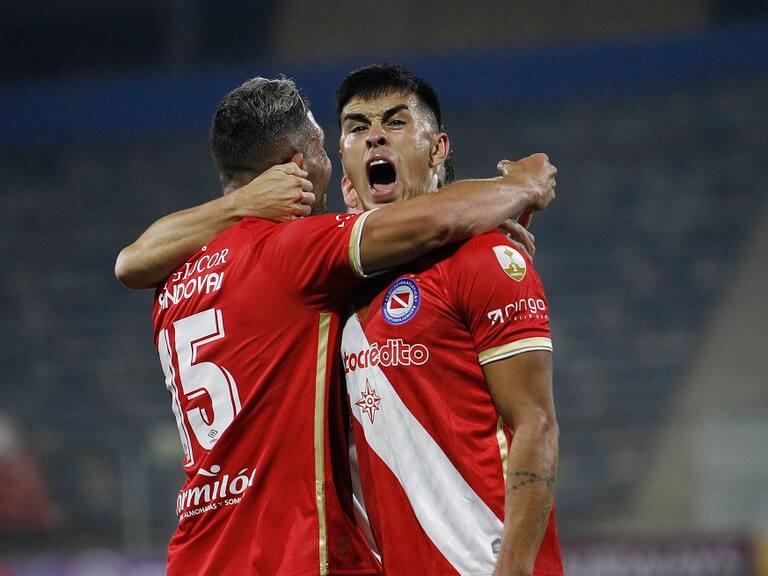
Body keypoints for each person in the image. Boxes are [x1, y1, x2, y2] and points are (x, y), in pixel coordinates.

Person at [115, 75, 556, 576]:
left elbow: (128, 261)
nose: (365, 144)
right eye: (332, 145)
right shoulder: (296, 254)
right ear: (297, 169)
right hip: (289, 552)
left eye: (394, 123)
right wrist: (517, 187)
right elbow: (434, 220)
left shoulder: (172, 279)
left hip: (197, 554)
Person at [337, 64, 562, 576]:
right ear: (345, 168)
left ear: (437, 149)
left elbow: (537, 423)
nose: (374, 136)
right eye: (357, 127)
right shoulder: (334, 292)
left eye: (395, 122)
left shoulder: (486, 258)